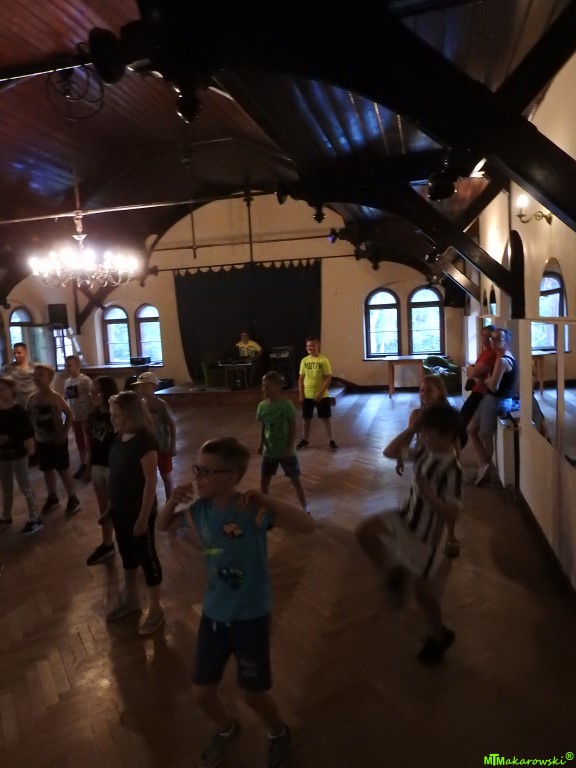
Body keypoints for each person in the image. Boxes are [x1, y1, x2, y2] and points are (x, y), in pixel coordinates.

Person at [157, 436, 315, 768]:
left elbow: (306, 525)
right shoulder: (199, 511)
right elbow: (163, 525)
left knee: (252, 693)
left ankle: (278, 732)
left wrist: (266, 499)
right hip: (214, 615)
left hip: (250, 617)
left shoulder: (250, 510)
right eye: (196, 469)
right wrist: (172, 501)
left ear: (231, 477)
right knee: (201, 694)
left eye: (205, 472)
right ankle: (228, 727)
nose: (197, 477)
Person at [355, 403, 463, 664]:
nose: (423, 436)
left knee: (422, 592)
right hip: (405, 517)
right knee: (364, 533)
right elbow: (389, 451)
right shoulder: (426, 450)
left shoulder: (452, 470)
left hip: (425, 536)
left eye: (428, 432)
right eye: (423, 431)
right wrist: (412, 429)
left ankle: (440, 636)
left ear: (447, 435)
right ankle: (394, 572)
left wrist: (431, 496)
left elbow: (453, 512)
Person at [104, 391, 164, 636]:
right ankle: (131, 599)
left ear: (130, 415)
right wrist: (110, 506)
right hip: (120, 510)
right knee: (127, 556)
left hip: (139, 513)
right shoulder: (119, 439)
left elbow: (150, 482)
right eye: (111, 415)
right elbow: (115, 477)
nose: (112, 419)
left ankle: (156, 608)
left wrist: (143, 517)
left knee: (147, 558)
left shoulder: (145, 443)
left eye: (116, 415)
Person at [390, 375, 460, 558]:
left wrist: (457, 461)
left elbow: (455, 441)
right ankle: (419, 528)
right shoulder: (416, 414)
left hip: (443, 460)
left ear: (440, 392)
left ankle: (451, 535)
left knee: (446, 498)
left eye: (429, 390)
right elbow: (408, 438)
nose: (424, 394)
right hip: (422, 457)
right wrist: (400, 458)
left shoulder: (447, 415)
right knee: (420, 493)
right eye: (421, 390)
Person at [27, 364, 81, 516]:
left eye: (41, 375)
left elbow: (70, 414)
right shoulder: (31, 399)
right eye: (35, 375)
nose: (36, 378)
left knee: (63, 469)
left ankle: (73, 498)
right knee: (47, 469)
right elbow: (29, 418)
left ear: (50, 378)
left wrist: (63, 432)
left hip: (57, 441)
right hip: (42, 440)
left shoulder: (56, 397)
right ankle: (52, 497)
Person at [467, 327, 517, 486]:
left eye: (498, 339)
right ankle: (483, 466)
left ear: (506, 341)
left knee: (485, 434)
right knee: (471, 430)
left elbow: (494, 386)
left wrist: (485, 380)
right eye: (492, 338)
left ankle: (484, 471)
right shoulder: (499, 357)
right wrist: (486, 379)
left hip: (496, 400)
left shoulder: (503, 360)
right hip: (491, 399)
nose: (493, 342)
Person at [257, 370, 307, 511]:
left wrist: (289, 447)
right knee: (264, 481)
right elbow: (263, 426)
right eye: (263, 386)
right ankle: (265, 509)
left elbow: (293, 427)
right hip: (269, 451)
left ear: (279, 387)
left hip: (287, 452)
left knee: (295, 480)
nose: (264, 389)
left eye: (268, 387)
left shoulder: (286, 405)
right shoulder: (262, 406)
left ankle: (305, 509)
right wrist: (261, 444)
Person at [84, 376, 119, 566]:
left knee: (118, 507)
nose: (93, 395)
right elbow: (92, 444)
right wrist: (88, 467)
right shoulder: (92, 416)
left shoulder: (117, 416)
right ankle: (107, 544)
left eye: (97, 392)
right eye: (92, 392)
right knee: (104, 508)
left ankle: (128, 543)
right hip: (98, 464)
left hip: (114, 466)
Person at [0, 375, 41, 534]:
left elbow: (27, 432)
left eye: (3, 389)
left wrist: (30, 451)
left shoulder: (18, 411)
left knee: (25, 485)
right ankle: (6, 515)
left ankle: (35, 517)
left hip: (18, 453)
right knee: (6, 486)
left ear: (12, 390)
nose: (0, 392)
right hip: (2, 455)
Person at [131, 371, 177, 499]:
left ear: (154, 387)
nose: (141, 389)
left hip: (162, 445)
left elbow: (171, 424)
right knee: (149, 475)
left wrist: (173, 445)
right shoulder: (141, 404)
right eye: (139, 386)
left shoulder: (161, 404)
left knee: (166, 474)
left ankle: (170, 500)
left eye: (145, 386)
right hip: (147, 445)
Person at [296, 337, 338, 451]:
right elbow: (301, 379)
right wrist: (301, 394)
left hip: (322, 396)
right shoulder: (304, 361)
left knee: (326, 418)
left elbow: (328, 378)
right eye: (307, 346)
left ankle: (331, 440)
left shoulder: (323, 360)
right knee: (306, 419)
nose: (309, 348)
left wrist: (320, 393)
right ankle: (305, 440)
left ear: (318, 346)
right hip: (307, 395)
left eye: (312, 345)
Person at [459, 324, 496, 448]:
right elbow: (473, 372)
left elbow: (474, 373)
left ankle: (456, 451)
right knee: (466, 425)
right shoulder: (485, 352)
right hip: (477, 391)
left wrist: (473, 371)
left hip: (481, 393)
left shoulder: (491, 354)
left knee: (463, 423)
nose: (485, 339)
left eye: (489, 336)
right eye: (483, 335)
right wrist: (474, 372)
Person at [63, 355, 93, 479]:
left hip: (86, 415)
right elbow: (67, 399)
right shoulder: (66, 382)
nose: (67, 368)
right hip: (75, 416)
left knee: (89, 440)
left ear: (77, 366)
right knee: (80, 440)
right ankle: (83, 463)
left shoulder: (85, 380)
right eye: (65, 366)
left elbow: (92, 395)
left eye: (69, 365)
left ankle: (92, 463)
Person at [2, 342, 38, 407]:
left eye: (19, 353)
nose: (16, 355)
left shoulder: (34, 367)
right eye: (14, 353)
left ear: (25, 352)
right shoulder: (7, 368)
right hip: (16, 402)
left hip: (33, 401)